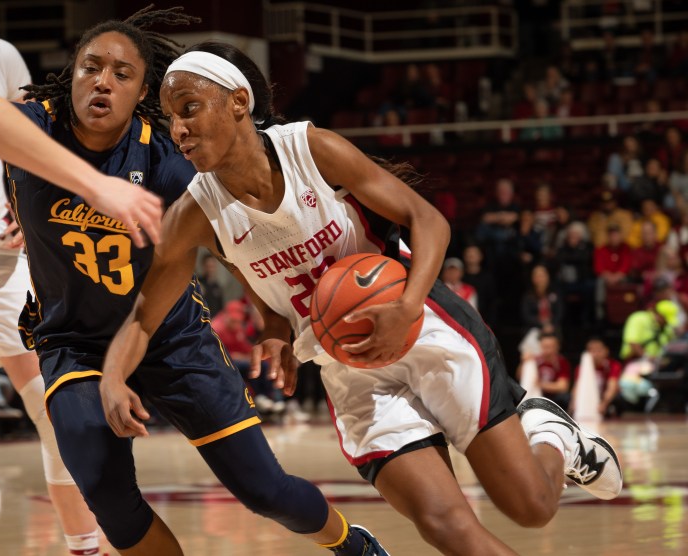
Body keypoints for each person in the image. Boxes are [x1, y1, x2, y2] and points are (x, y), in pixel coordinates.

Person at [102, 41, 623, 555]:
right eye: (171, 118)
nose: (179, 130)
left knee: (531, 507)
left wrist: (408, 305)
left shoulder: (310, 149)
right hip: (348, 368)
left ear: (239, 102)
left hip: (422, 327)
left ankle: (552, 432)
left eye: (189, 109)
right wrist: (114, 377)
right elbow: (147, 316)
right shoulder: (193, 214)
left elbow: (429, 221)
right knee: (445, 524)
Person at [1, 11, 385, 556]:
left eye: (122, 73)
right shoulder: (32, 127)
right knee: (109, 500)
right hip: (74, 344)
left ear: (141, 95)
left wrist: (271, 319)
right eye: (91, 67)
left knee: (265, 490)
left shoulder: (161, 155)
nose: (103, 81)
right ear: (73, 73)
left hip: (171, 337)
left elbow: (233, 247)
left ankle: (350, 543)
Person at [0, 0, 160, 552]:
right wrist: (96, 186)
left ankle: (84, 548)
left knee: (55, 409)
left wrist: (32, 208)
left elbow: (23, 130)